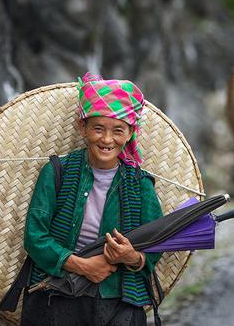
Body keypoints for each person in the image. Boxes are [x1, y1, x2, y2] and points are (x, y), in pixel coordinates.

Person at [19, 72, 163, 325]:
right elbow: (35, 236)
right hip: (56, 294)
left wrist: (131, 257)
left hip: (119, 300)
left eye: (118, 130)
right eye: (98, 128)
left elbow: (154, 245)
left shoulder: (140, 185)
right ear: (82, 127)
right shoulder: (56, 172)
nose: (107, 140)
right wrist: (83, 266)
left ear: (130, 133)